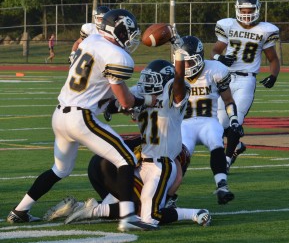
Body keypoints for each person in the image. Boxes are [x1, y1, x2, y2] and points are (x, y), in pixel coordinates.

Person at [7, 9, 159, 232]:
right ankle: (128, 217)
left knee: (60, 169)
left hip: (59, 115)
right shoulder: (117, 56)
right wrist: (147, 100)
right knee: (126, 159)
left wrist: (111, 104)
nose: (131, 38)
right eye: (128, 32)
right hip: (81, 118)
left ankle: (20, 210)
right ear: (117, 31)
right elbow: (125, 100)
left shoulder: (93, 40)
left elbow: (100, 86)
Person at [43, 57, 211, 228]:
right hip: (141, 162)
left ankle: (195, 213)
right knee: (129, 206)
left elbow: (178, 85)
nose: (146, 83)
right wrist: (115, 105)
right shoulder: (142, 94)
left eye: (153, 79)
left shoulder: (172, 97)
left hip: (161, 164)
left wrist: (179, 58)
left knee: (150, 218)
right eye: (146, 78)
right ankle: (83, 208)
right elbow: (119, 102)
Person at [167, 35, 243, 206]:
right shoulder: (174, 74)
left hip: (208, 120)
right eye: (183, 62)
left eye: (190, 62)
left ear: (200, 58)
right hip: (184, 123)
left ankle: (222, 185)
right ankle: (169, 195)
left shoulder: (216, 70)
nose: (186, 66)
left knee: (215, 140)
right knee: (182, 153)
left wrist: (234, 120)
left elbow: (229, 100)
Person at [211, 0, 280, 171]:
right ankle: (238, 147)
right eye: (244, 10)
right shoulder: (227, 25)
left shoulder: (265, 30)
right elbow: (214, 51)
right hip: (225, 78)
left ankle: (226, 161)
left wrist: (274, 75)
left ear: (257, 10)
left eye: (250, 10)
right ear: (237, 9)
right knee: (218, 126)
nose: (247, 13)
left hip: (246, 81)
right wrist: (220, 58)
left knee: (236, 122)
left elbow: (273, 59)